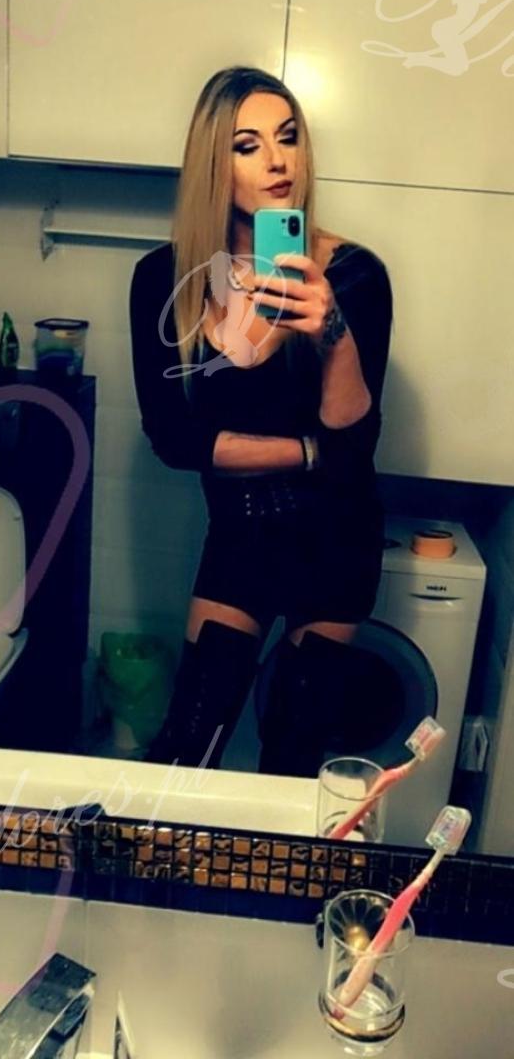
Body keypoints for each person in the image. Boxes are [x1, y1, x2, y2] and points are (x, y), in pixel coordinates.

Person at [129, 65, 393, 776]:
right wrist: (308, 452)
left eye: (288, 137)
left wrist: (332, 329)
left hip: (337, 541)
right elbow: (173, 439)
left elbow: (354, 440)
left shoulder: (355, 276)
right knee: (189, 742)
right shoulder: (165, 280)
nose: (278, 161)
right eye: (248, 145)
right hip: (241, 536)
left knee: (293, 753)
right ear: (214, 164)